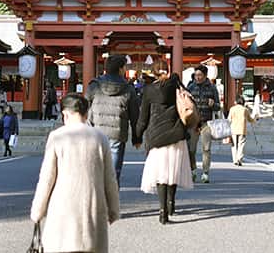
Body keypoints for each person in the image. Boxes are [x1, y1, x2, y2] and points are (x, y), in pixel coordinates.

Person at [30, 94, 120, 253]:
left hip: (63, 209)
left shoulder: (57, 137)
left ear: (65, 113)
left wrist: (38, 211)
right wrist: (113, 210)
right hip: (92, 209)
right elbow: (110, 179)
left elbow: (47, 178)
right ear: (86, 114)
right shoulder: (100, 138)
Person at [135, 70, 192, 224]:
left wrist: (137, 136)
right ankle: (171, 204)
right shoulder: (176, 86)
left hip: (156, 136)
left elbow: (143, 118)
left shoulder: (148, 90)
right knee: (172, 171)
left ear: (153, 74)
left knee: (161, 173)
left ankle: (162, 212)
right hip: (176, 134)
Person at [86, 54, 140, 185]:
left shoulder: (94, 85)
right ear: (121, 69)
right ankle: (112, 202)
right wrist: (136, 138)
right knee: (113, 173)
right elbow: (134, 114)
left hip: (95, 131)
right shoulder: (128, 88)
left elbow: (85, 106)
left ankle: (97, 202)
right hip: (117, 131)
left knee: (95, 170)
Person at [185, 67, 220, 183]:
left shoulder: (212, 87)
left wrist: (213, 104)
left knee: (206, 149)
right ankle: (193, 170)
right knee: (191, 149)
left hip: (206, 122)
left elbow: (218, 106)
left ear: (205, 75)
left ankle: (205, 172)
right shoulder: (190, 87)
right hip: (193, 123)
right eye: (196, 75)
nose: (197, 77)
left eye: (199, 75)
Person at [227, 94, 253, 166]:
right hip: (242, 129)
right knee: (241, 144)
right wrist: (254, 120)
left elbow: (229, 119)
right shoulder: (245, 109)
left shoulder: (232, 109)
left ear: (236, 102)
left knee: (234, 145)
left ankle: (235, 160)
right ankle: (239, 158)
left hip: (233, 129)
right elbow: (250, 119)